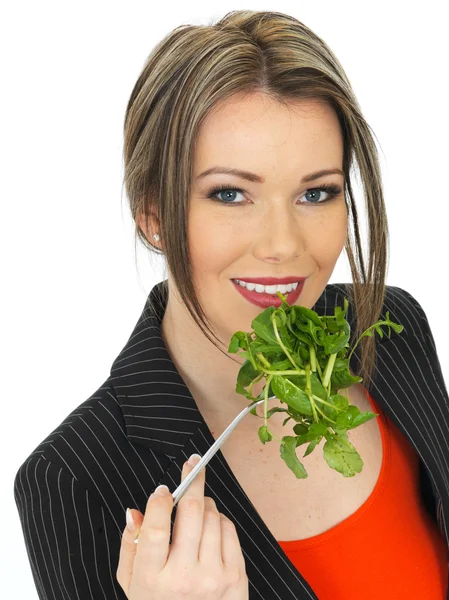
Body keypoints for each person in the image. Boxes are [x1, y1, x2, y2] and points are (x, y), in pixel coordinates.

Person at [13, 9, 449, 600]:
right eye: (231, 194)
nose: (283, 245)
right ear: (153, 212)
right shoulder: (75, 479)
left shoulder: (392, 333)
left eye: (315, 193)